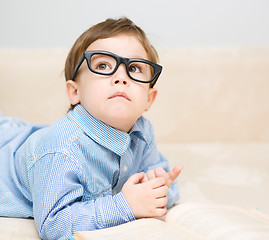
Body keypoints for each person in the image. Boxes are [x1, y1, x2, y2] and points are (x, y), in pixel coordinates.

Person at [0, 17, 182, 240]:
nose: (121, 77)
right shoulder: (61, 150)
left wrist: (157, 188)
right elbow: (54, 224)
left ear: (149, 99)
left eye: (134, 68)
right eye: (103, 65)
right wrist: (125, 205)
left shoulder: (142, 132)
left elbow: (160, 175)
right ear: (74, 92)